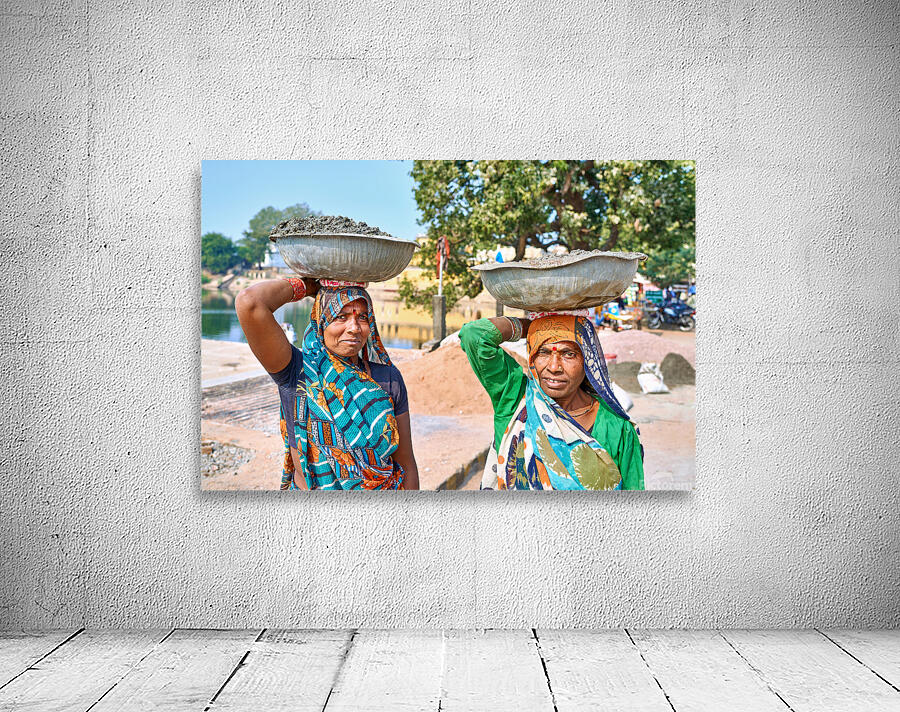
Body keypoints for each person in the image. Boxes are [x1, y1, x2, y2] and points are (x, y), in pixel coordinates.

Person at [235, 277, 419, 491]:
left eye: (362, 317)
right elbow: (250, 302)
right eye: (340, 317)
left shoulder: (388, 378)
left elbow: (406, 464)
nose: (354, 328)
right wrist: (309, 286)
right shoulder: (297, 371)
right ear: (320, 321)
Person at [459, 312, 643, 490]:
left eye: (569, 354)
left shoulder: (617, 428)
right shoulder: (516, 401)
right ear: (532, 358)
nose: (554, 367)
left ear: (587, 360)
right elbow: (474, 335)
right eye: (543, 352)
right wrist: (531, 327)